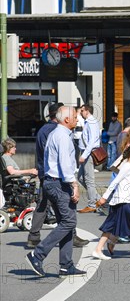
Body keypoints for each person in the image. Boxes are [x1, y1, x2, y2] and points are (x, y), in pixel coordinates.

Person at [25, 106, 87, 278]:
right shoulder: (62, 136)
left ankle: (66, 265)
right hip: (59, 183)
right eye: (75, 116)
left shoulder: (57, 133)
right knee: (68, 222)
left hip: (52, 182)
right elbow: (65, 164)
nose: (77, 118)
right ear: (67, 119)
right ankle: (37, 255)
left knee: (66, 223)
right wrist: (74, 184)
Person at [76, 104, 101, 213]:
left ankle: (92, 204)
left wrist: (84, 155)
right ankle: (98, 199)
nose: (80, 112)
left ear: (87, 111)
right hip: (86, 152)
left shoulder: (91, 123)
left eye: (82, 110)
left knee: (89, 180)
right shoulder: (87, 122)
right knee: (81, 177)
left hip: (88, 153)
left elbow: (91, 141)